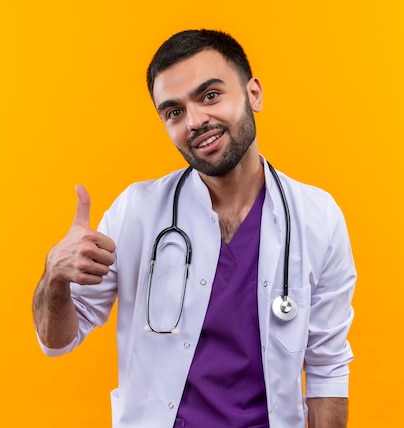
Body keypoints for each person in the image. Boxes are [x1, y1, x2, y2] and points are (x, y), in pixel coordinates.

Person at [33, 29, 356, 428]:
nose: (196, 121)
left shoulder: (317, 218)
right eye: (174, 112)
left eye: (210, 95)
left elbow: (327, 367)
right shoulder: (136, 212)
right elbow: (57, 341)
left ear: (253, 94)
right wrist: (55, 276)